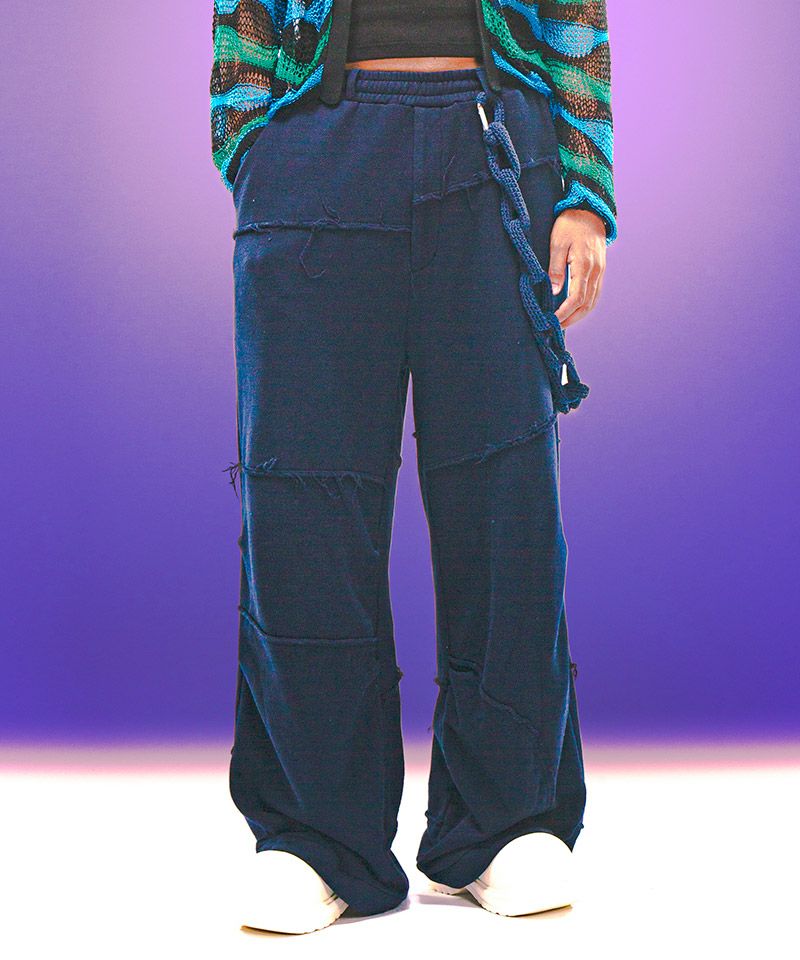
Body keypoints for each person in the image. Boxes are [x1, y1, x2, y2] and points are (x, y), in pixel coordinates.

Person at [211, 0, 616, 935]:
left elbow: (575, 11)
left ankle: (507, 822)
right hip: (314, 145)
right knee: (304, 501)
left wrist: (585, 186)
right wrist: (255, 150)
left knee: (507, 497)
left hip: (497, 147)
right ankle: (315, 835)